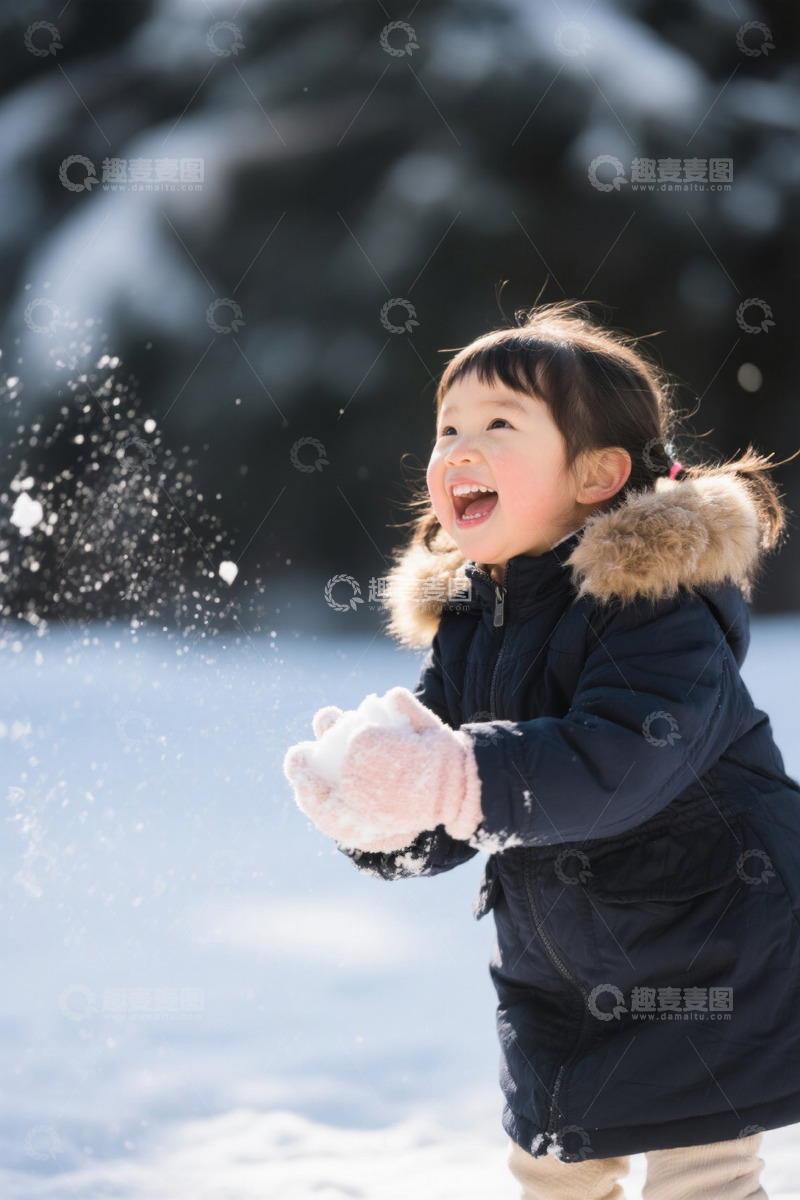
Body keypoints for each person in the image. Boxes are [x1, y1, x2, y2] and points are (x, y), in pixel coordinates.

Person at [283, 299, 800, 1199]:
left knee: (701, 1175)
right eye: (448, 428)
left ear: (597, 473)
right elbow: (455, 795)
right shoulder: (474, 620)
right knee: (554, 1169)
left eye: (498, 424)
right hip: (560, 967)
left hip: (711, 948)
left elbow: (619, 760)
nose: (458, 450)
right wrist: (382, 811)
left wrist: (453, 773)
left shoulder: (659, 605)